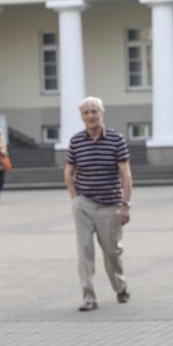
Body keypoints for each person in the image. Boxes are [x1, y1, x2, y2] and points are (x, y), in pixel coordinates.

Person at [64, 96, 133, 312]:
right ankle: (89, 297)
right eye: (86, 112)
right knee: (84, 250)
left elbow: (126, 174)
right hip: (83, 204)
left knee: (112, 253)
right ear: (82, 117)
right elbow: (68, 171)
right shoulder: (76, 141)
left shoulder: (116, 139)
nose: (91, 116)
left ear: (102, 113)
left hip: (109, 205)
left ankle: (120, 287)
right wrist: (75, 197)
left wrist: (125, 204)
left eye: (94, 111)